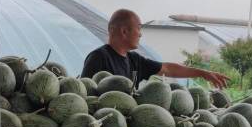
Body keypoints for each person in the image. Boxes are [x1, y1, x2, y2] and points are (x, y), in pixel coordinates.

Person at [81, 9, 230, 89]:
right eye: (138, 28)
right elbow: (84, 96)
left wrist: (203, 73)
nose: (141, 34)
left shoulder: (134, 59)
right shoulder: (98, 58)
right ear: (124, 31)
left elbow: (168, 69)